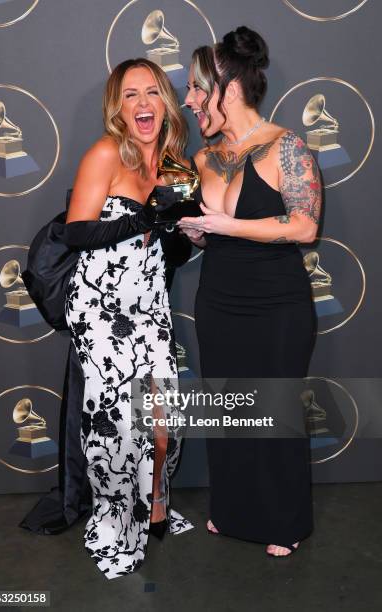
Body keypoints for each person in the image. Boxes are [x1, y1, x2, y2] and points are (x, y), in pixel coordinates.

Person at [179, 26, 322, 557]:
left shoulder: (287, 147)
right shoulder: (203, 159)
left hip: (277, 305)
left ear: (229, 89)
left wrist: (223, 227)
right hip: (218, 302)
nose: (189, 101)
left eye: (197, 89)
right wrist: (197, 232)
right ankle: (231, 509)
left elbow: (305, 227)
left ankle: (283, 520)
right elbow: (209, 230)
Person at [62, 58, 193, 579]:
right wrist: (140, 218)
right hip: (100, 308)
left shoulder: (176, 165)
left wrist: (181, 234)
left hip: (150, 306)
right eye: (131, 94)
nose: (143, 103)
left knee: (164, 423)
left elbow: (172, 252)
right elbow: (76, 232)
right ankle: (115, 518)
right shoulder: (104, 154)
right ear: (118, 106)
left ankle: (156, 503)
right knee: (115, 425)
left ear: (166, 103)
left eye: (153, 93)